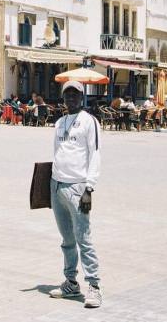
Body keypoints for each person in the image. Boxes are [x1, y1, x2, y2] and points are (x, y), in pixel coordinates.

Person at [49, 80, 102, 308]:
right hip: (57, 185)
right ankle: (71, 282)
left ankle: (94, 286)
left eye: (75, 95)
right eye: (67, 95)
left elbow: (95, 153)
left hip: (78, 187)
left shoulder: (89, 121)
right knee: (67, 239)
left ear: (82, 97)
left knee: (84, 239)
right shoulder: (60, 122)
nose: (71, 98)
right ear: (63, 98)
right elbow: (58, 151)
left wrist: (89, 188)